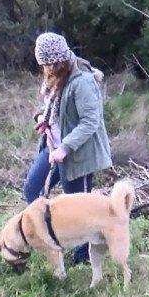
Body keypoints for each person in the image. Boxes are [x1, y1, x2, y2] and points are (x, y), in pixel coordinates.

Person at [23, 32, 113, 265]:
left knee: (78, 208)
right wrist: (41, 117)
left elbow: (90, 122)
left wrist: (65, 147)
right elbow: (53, 108)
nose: (47, 69)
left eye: (51, 64)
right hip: (51, 146)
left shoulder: (82, 81)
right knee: (33, 189)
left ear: (61, 59)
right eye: (44, 64)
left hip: (77, 154)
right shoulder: (54, 76)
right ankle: (50, 239)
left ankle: (83, 256)